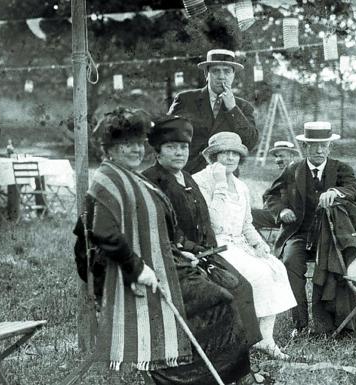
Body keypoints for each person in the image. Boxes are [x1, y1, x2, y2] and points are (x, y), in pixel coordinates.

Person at [75, 108, 254, 385]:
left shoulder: (131, 178)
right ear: (109, 148)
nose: (135, 150)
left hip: (161, 261)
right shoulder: (108, 181)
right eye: (126, 144)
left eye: (137, 143)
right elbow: (104, 235)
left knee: (223, 295)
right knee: (219, 300)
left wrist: (179, 251)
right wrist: (135, 270)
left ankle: (222, 375)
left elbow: (158, 230)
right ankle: (185, 377)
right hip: (123, 271)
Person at [142, 115, 263, 348]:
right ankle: (221, 351)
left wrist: (208, 250)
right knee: (220, 295)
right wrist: (187, 252)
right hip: (175, 257)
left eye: (183, 147)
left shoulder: (186, 177)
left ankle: (243, 348)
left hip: (204, 252)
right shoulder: (151, 181)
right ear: (157, 152)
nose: (179, 153)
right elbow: (161, 230)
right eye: (171, 147)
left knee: (242, 287)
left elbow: (205, 221)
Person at [192, 132, 297, 360]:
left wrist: (259, 244)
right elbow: (214, 223)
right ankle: (240, 336)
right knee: (257, 274)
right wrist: (219, 184)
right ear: (213, 156)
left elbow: (246, 222)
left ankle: (266, 339)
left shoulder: (240, 186)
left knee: (276, 268)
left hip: (239, 244)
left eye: (235, 153)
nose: (230, 158)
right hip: (213, 245)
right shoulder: (201, 180)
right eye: (224, 153)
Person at [263, 122, 356, 336]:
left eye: (323, 145)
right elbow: (270, 195)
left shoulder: (341, 168)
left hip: (331, 236)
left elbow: (354, 190)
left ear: (330, 147)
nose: (319, 150)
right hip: (297, 233)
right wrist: (280, 211)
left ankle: (327, 324)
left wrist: (336, 191)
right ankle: (300, 324)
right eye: (314, 145)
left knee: (330, 267)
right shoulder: (293, 169)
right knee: (290, 263)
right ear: (305, 147)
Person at [168, 49, 258, 175]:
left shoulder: (243, 107)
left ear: (233, 75)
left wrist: (233, 109)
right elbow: (167, 136)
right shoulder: (185, 99)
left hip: (225, 176)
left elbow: (250, 142)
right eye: (216, 71)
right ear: (206, 74)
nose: (221, 76)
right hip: (188, 174)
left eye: (227, 71)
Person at [251, 140, 300, 230]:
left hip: (289, 217)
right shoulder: (287, 172)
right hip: (280, 213)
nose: (277, 160)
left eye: (281, 156)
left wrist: (281, 210)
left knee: (246, 215)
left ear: (292, 156)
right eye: (276, 157)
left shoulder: (296, 172)